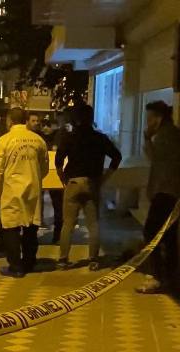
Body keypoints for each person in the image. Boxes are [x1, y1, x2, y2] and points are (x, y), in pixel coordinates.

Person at [56, 104, 122, 271]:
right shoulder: (100, 138)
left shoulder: (69, 137)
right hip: (92, 183)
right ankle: (93, 260)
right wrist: (105, 177)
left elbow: (58, 161)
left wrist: (63, 179)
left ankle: (63, 260)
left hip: (73, 182)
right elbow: (117, 156)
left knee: (68, 224)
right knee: (93, 223)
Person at [137, 101, 180, 294]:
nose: (147, 123)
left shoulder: (165, 137)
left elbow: (156, 161)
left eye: (149, 119)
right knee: (169, 236)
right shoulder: (175, 135)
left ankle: (157, 276)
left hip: (166, 192)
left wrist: (147, 139)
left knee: (151, 232)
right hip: (175, 192)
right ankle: (171, 278)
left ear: (158, 119)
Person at [0, 108, 49, 278]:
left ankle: (15, 266)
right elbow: (44, 167)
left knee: (11, 227)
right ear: (26, 120)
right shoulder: (38, 140)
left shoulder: (5, 140)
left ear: (9, 120)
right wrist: (34, 177)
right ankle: (29, 262)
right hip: (33, 188)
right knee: (31, 227)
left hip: (11, 188)